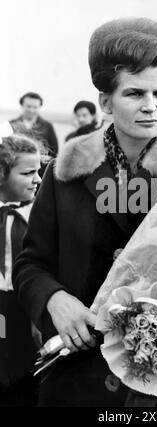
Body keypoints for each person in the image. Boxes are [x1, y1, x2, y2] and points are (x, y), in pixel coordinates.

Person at [12, 17, 157, 407]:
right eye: (135, 94)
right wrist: (54, 300)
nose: (152, 107)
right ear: (105, 101)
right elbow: (30, 264)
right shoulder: (63, 173)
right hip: (76, 380)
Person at [0, 135, 41, 406]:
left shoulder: (38, 215)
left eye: (38, 170)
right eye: (27, 173)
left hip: (26, 306)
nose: (37, 179)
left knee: (26, 376)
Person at [10, 92, 58, 159]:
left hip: (40, 166)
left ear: (39, 107)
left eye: (35, 107)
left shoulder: (47, 126)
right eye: (28, 106)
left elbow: (55, 151)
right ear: (22, 105)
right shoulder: (11, 124)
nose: (31, 110)